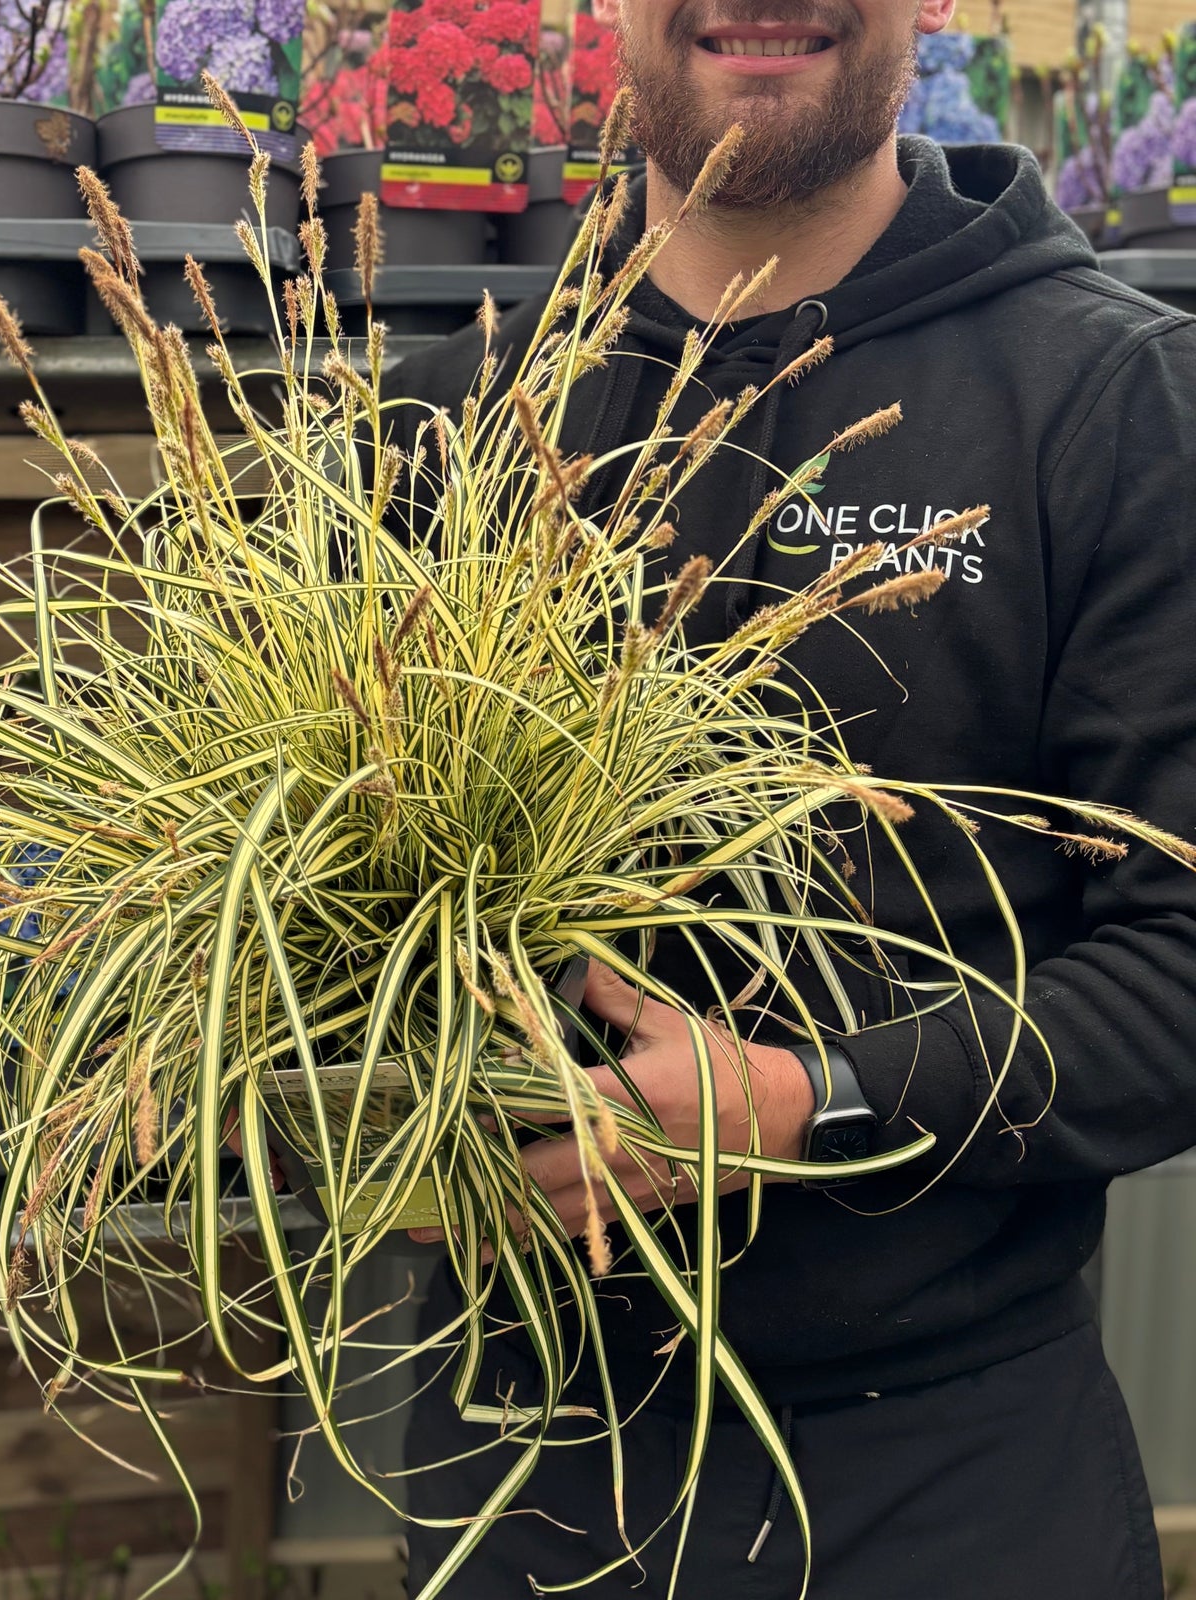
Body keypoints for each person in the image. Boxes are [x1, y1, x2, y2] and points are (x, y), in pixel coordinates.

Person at [380, 0, 1196, 1595]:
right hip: (520, 1465)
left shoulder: (1109, 402)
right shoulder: (444, 426)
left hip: (945, 1478)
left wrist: (812, 1100)